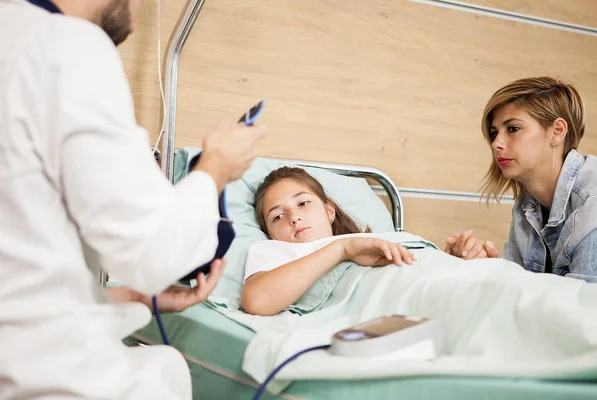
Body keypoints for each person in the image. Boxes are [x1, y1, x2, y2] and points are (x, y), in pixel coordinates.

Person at [0, 0, 266, 398]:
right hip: (53, 385)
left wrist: (126, 297)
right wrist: (216, 168)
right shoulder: (66, 46)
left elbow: (19, 274)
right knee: (163, 368)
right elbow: (155, 254)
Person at [444, 77, 597, 283]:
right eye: (494, 133)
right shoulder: (526, 206)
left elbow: (585, 309)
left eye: (513, 129)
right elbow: (518, 293)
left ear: (557, 131)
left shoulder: (594, 201)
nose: (496, 143)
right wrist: (483, 267)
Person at [240, 167, 415, 316]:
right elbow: (256, 301)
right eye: (278, 216)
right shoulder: (270, 251)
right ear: (271, 235)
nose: (294, 217)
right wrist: (342, 249)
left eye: (303, 203)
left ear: (330, 211)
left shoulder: (373, 241)